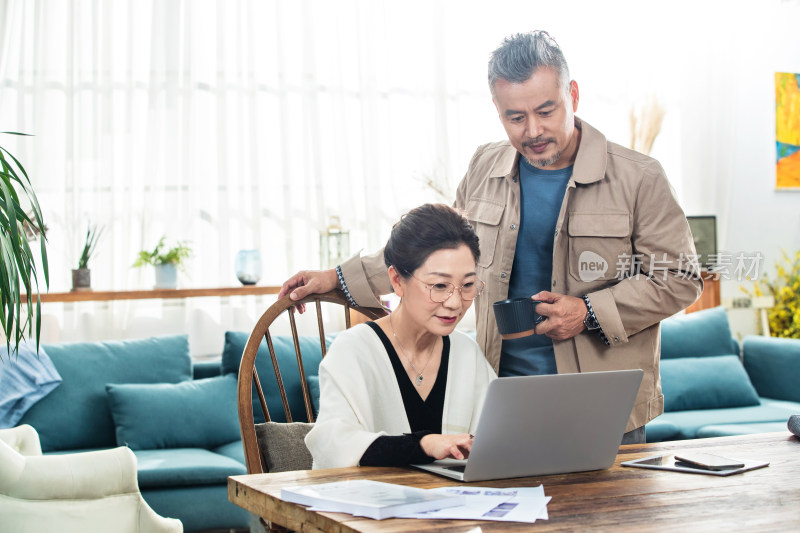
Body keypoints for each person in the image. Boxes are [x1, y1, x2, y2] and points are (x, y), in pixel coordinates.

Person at [284, 31, 702, 445]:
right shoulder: (485, 165)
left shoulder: (639, 177)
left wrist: (589, 311)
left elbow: (682, 278)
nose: (533, 130)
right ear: (496, 109)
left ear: (572, 94)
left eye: (546, 110)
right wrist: (338, 279)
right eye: (515, 117)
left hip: (603, 409)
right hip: (498, 404)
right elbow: (436, 248)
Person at [305, 203, 496, 469]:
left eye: (467, 285)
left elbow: (497, 439)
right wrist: (424, 445)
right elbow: (333, 446)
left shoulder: (466, 351)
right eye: (439, 286)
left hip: (459, 506)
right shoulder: (354, 349)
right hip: (374, 506)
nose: (455, 303)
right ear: (396, 280)